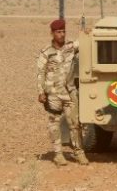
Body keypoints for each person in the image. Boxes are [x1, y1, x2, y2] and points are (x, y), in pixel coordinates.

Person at [36, 19, 89, 166]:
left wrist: (86, 33)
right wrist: (41, 92)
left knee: (75, 123)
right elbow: (40, 73)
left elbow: (83, 42)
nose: (62, 34)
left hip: (69, 92)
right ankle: (58, 155)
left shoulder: (70, 47)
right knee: (54, 123)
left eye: (63, 31)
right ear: (52, 33)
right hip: (53, 94)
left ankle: (79, 153)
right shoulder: (46, 52)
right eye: (59, 32)